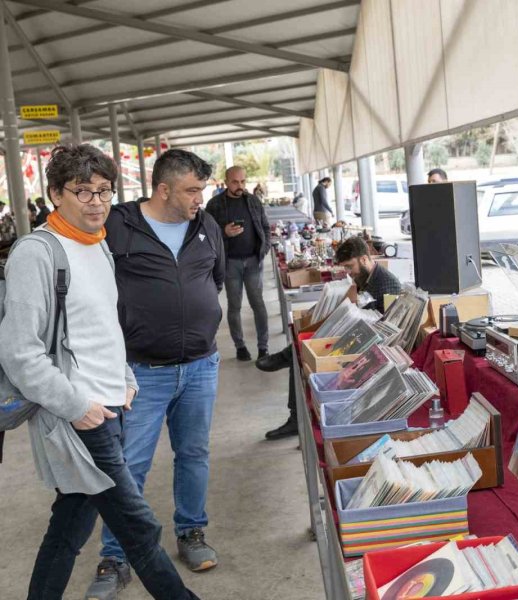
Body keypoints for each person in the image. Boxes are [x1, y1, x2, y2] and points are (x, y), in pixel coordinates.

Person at [0, 144, 198, 600]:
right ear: (55, 194)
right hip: (81, 415)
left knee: (69, 526)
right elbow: (19, 351)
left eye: (105, 192)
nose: (96, 202)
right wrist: (77, 406)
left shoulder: (98, 245)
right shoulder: (37, 252)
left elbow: (103, 327)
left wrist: (124, 380)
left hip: (110, 405)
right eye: (83, 191)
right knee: (139, 529)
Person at [89, 149, 225, 596]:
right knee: (129, 465)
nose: (198, 199)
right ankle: (117, 553)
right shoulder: (118, 226)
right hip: (140, 371)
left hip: (201, 366)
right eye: (190, 190)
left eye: (201, 190)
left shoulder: (205, 226)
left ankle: (191, 532)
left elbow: (213, 281)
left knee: (194, 454)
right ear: (163, 188)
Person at [255, 236, 402, 439]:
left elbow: (385, 327)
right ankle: (294, 413)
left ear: (365, 259)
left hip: (370, 348)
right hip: (356, 335)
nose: (349, 273)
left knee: (303, 353)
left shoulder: (388, 285)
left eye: (350, 267)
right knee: (304, 349)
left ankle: (293, 410)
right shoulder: (364, 278)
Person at [206, 166, 271, 362]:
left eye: (243, 181)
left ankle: (263, 347)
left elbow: (266, 228)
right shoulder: (215, 205)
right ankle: (240, 346)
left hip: (253, 261)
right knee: (234, 306)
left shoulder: (253, 201)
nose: (240, 186)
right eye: (235, 182)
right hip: (230, 263)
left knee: (258, 305)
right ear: (226, 182)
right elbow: (205, 233)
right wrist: (223, 232)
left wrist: (264, 250)